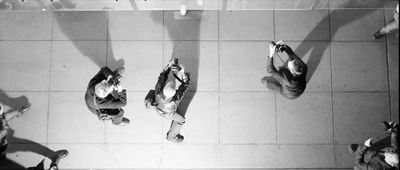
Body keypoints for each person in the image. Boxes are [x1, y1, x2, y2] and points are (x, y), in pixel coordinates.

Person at [153, 59, 190, 143]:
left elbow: (162, 76)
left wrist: (169, 66)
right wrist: (182, 72)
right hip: (168, 114)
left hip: (158, 108)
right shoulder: (175, 100)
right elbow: (185, 85)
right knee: (181, 120)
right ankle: (171, 136)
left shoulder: (158, 92)